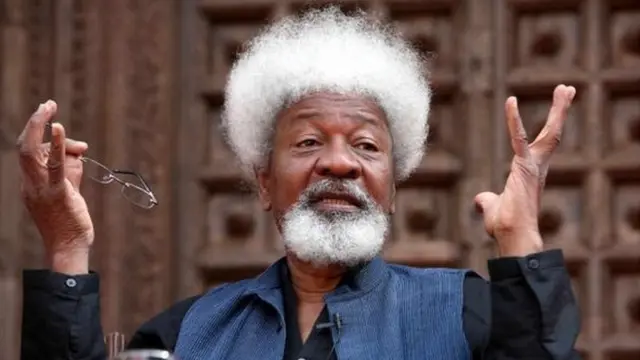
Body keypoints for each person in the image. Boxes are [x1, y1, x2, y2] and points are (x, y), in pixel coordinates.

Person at [18, 8, 581, 360]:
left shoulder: (467, 311)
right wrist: (67, 248)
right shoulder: (188, 334)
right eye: (309, 143)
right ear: (264, 183)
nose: (340, 164)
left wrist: (521, 249)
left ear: (392, 188)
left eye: (365, 145)